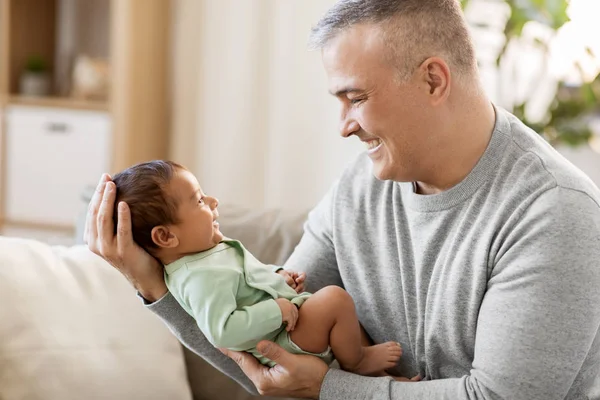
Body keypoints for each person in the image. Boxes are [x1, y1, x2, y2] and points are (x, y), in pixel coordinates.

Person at [85, 0, 600, 398]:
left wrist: (330, 389)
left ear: (433, 79)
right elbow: (273, 358)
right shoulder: (362, 185)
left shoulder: (555, 214)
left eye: (356, 98)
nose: (344, 127)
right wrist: (155, 286)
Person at [109, 160, 403, 374]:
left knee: (343, 314)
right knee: (335, 300)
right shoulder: (198, 277)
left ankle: (375, 376)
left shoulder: (209, 252)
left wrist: (278, 277)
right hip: (283, 342)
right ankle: (357, 362)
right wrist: (277, 309)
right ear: (166, 236)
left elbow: (247, 280)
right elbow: (223, 330)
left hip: (287, 325)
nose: (213, 201)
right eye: (199, 200)